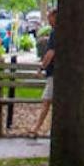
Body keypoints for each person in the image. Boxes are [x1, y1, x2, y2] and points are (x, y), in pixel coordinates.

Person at [29, 8, 57, 137]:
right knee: (49, 101)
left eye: (49, 17)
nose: (48, 19)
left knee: (46, 101)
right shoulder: (58, 32)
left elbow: (50, 53)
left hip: (54, 74)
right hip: (55, 73)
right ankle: (41, 127)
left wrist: (41, 67)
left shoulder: (55, 33)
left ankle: (36, 128)